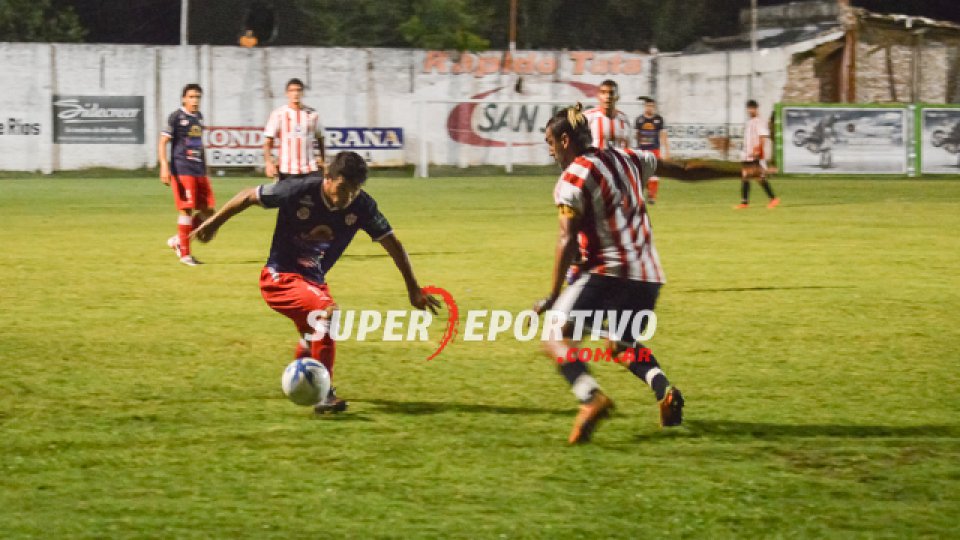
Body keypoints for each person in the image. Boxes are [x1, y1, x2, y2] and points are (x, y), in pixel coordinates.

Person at [191, 151, 440, 413]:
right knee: (327, 312)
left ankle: (302, 383)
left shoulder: (363, 206)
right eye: (343, 188)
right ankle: (324, 393)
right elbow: (247, 196)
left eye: (355, 190)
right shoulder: (298, 190)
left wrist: (413, 288)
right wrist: (214, 222)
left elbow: (393, 244)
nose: (347, 197)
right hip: (280, 277)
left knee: (312, 336)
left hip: (313, 282)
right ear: (328, 178)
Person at [535, 104, 684, 444]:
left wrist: (554, 292)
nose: (549, 150)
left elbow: (567, 238)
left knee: (555, 337)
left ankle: (591, 397)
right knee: (620, 344)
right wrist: (738, 170)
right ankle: (664, 389)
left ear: (565, 139)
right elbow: (687, 168)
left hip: (607, 272)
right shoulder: (627, 157)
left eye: (550, 142)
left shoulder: (572, 178)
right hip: (647, 276)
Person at [159, 83, 216, 266]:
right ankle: (185, 254)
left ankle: (178, 240)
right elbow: (163, 142)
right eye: (191, 97)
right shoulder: (176, 117)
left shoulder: (199, 117)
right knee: (186, 209)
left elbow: (198, 145)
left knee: (209, 211)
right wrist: (164, 167)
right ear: (184, 98)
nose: (195, 100)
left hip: (198, 171)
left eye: (198, 97)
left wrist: (206, 169)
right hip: (182, 170)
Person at [263, 78, 326, 181]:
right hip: (286, 170)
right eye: (292, 91)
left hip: (310, 169)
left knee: (315, 197)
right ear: (287, 93)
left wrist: (323, 160)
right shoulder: (278, 114)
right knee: (285, 197)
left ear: (302, 93)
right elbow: (267, 142)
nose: (295, 93)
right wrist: (268, 163)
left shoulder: (313, 114)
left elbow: (320, 139)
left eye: (298, 90)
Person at [737, 100, 780, 209]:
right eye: (748, 108)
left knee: (751, 176)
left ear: (756, 109)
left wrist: (759, 150)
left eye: (752, 108)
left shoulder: (760, 122)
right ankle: (771, 199)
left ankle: (746, 202)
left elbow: (763, 137)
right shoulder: (749, 122)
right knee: (753, 177)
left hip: (754, 154)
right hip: (747, 154)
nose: (750, 110)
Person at [634, 97, 669, 203]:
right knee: (641, 173)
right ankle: (640, 194)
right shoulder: (639, 120)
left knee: (654, 173)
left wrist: (666, 150)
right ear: (645, 107)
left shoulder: (659, 120)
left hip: (654, 150)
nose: (650, 108)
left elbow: (663, 136)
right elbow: (637, 135)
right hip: (642, 150)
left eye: (652, 106)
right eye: (648, 106)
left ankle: (652, 196)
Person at [583, 80, 632, 150]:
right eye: (603, 92)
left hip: (616, 160)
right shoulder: (587, 117)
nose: (608, 96)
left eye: (611, 93)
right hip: (596, 159)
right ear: (598, 96)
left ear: (617, 97)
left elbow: (627, 147)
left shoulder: (624, 119)